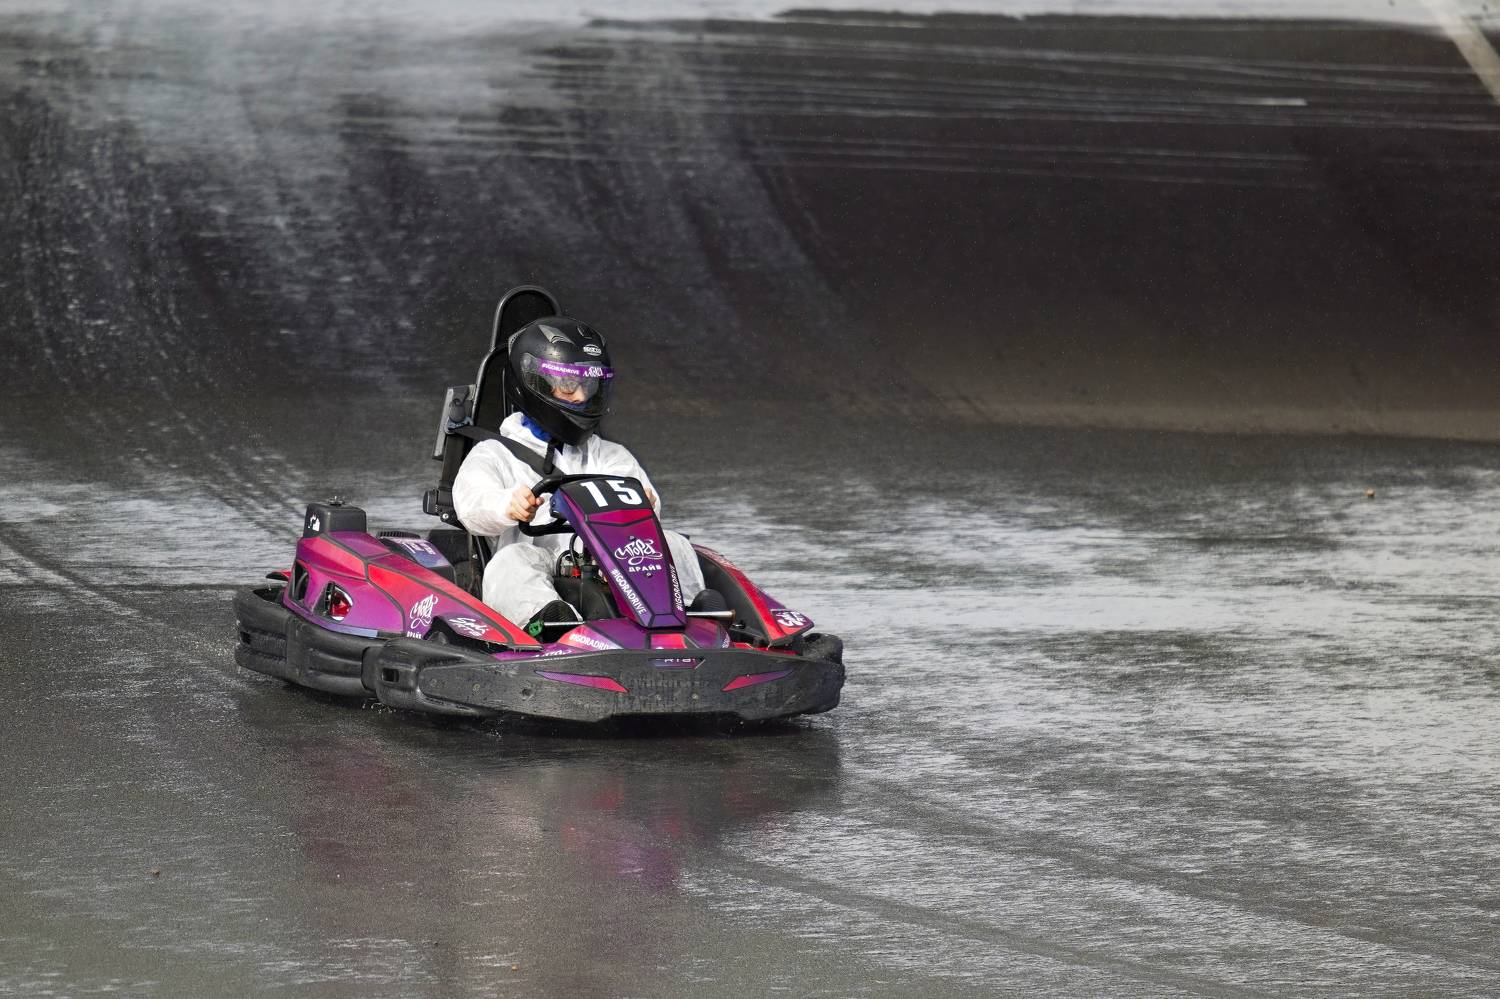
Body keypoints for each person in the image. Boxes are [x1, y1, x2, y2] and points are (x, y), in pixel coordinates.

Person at [452, 316, 706, 633]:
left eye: (588, 385)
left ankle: (696, 619)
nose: (581, 397)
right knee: (510, 561)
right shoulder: (495, 454)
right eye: (569, 385)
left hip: (609, 566)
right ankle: (550, 622)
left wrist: (643, 506)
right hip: (541, 561)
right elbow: (471, 506)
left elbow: (645, 519)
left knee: (674, 543)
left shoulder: (610, 456)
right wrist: (508, 505)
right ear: (534, 382)